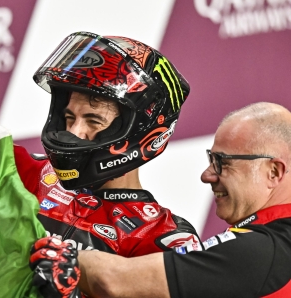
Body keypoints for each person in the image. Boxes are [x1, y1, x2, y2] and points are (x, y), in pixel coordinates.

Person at [30, 102, 291, 297]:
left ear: (274, 172)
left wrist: (57, 250)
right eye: (211, 160)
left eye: (222, 163)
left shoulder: (265, 250)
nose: (207, 175)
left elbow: (113, 280)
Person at [14, 31, 200, 296]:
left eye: (93, 121)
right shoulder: (24, 172)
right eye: (69, 117)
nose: (75, 132)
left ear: (139, 133)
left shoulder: (160, 235)